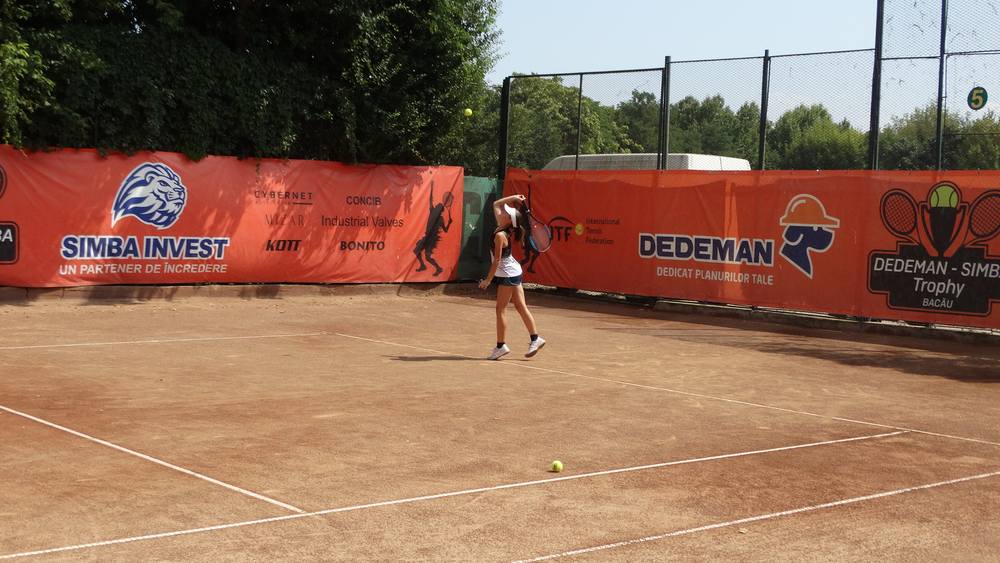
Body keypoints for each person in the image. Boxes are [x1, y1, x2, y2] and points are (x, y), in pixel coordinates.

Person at [478, 194, 545, 360]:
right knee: (520, 306)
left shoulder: (500, 235)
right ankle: (535, 338)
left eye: (506, 212)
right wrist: (514, 198)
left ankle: (500, 346)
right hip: (514, 271)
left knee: (500, 309)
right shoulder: (502, 227)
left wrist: (488, 280)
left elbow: (497, 261)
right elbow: (496, 204)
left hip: (508, 274)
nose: (502, 212)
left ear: (509, 220)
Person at [414, 184, 454, 276]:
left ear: (440, 210)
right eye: (437, 206)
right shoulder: (432, 210)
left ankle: (438, 268)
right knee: (416, 251)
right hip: (426, 237)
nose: (437, 206)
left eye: (439, 207)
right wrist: (431, 187)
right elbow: (430, 199)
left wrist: (449, 223)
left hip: (431, 240)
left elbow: (446, 230)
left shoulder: (440, 219)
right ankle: (423, 265)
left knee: (427, 257)